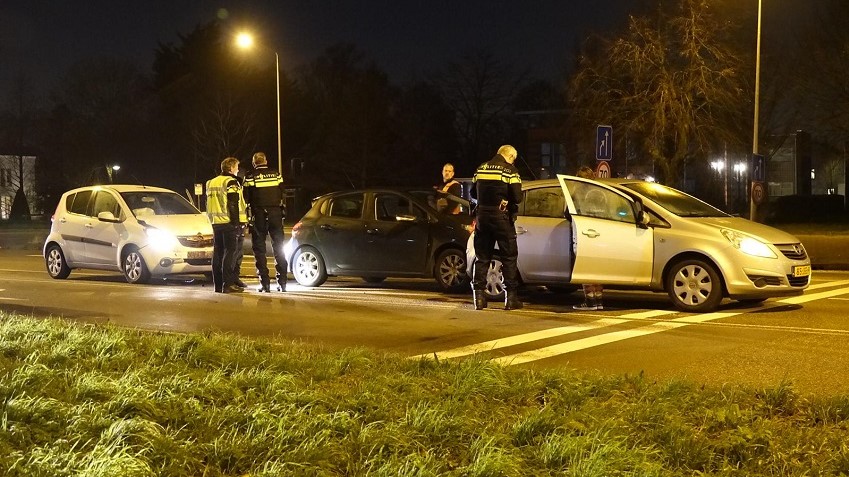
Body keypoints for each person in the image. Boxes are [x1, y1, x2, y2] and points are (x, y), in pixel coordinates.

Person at [470, 145, 523, 310]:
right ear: (511, 156)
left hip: (482, 217)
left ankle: (478, 298)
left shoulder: (481, 168)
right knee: (508, 257)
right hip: (502, 218)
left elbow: (472, 193)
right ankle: (510, 299)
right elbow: (517, 197)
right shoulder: (510, 171)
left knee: (482, 257)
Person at [243, 152, 288, 292]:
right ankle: (282, 282)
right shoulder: (276, 174)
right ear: (266, 161)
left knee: (259, 249)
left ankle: (265, 283)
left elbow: (246, 197)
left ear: (254, 163)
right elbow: (282, 192)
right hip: (275, 213)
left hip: (259, 214)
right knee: (279, 247)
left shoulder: (251, 176)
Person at [206, 157, 248, 293]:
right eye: (236, 167)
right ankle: (228, 284)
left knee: (218, 253)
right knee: (230, 252)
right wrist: (236, 224)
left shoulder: (211, 182)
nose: (238, 169)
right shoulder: (231, 182)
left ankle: (218, 285)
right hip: (229, 222)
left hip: (215, 222)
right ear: (231, 168)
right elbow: (233, 204)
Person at [573, 165, 605, 310]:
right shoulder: (601, 193)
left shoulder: (577, 194)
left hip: (584, 233)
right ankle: (598, 300)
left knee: (585, 268)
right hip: (600, 234)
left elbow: (569, 213)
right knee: (597, 269)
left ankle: (590, 301)